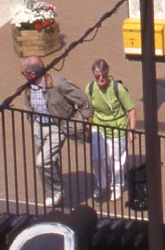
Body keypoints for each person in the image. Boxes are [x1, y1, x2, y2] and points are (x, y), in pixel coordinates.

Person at [20, 55, 90, 208]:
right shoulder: (29, 86)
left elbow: (83, 99)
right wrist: (31, 119)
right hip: (39, 127)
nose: (22, 75)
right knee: (50, 162)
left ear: (31, 74)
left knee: (42, 162)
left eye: (22, 72)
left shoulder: (57, 84)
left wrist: (85, 120)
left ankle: (57, 192)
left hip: (56, 127)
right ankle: (52, 194)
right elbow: (28, 104)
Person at [87, 59, 137, 202]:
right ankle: (101, 183)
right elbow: (88, 110)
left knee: (116, 161)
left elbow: (131, 110)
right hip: (99, 126)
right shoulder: (90, 88)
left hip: (118, 127)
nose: (100, 79)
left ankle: (117, 185)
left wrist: (131, 131)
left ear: (108, 74)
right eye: (97, 77)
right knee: (98, 157)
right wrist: (88, 127)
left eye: (103, 76)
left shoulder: (118, 89)